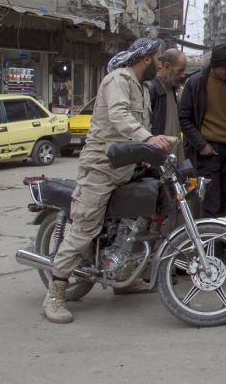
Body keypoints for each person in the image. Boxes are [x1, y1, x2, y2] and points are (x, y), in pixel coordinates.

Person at [43, 38, 174, 324]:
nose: (161, 63)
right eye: (157, 57)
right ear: (145, 59)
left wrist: (144, 152)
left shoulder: (142, 87)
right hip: (101, 167)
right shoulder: (119, 79)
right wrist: (148, 139)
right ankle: (55, 292)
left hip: (125, 167)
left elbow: (135, 127)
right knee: (85, 227)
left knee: (134, 218)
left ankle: (124, 278)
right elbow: (118, 116)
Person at [179, 43, 226, 218]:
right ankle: (210, 244)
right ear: (214, 65)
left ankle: (220, 243)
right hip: (208, 151)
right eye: (224, 68)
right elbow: (184, 119)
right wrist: (201, 145)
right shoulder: (196, 83)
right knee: (211, 202)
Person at [147, 48, 187, 158]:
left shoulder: (172, 88)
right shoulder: (152, 89)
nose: (183, 75)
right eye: (180, 70)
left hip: (172, 157)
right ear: (167, 66)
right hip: (158, 157)